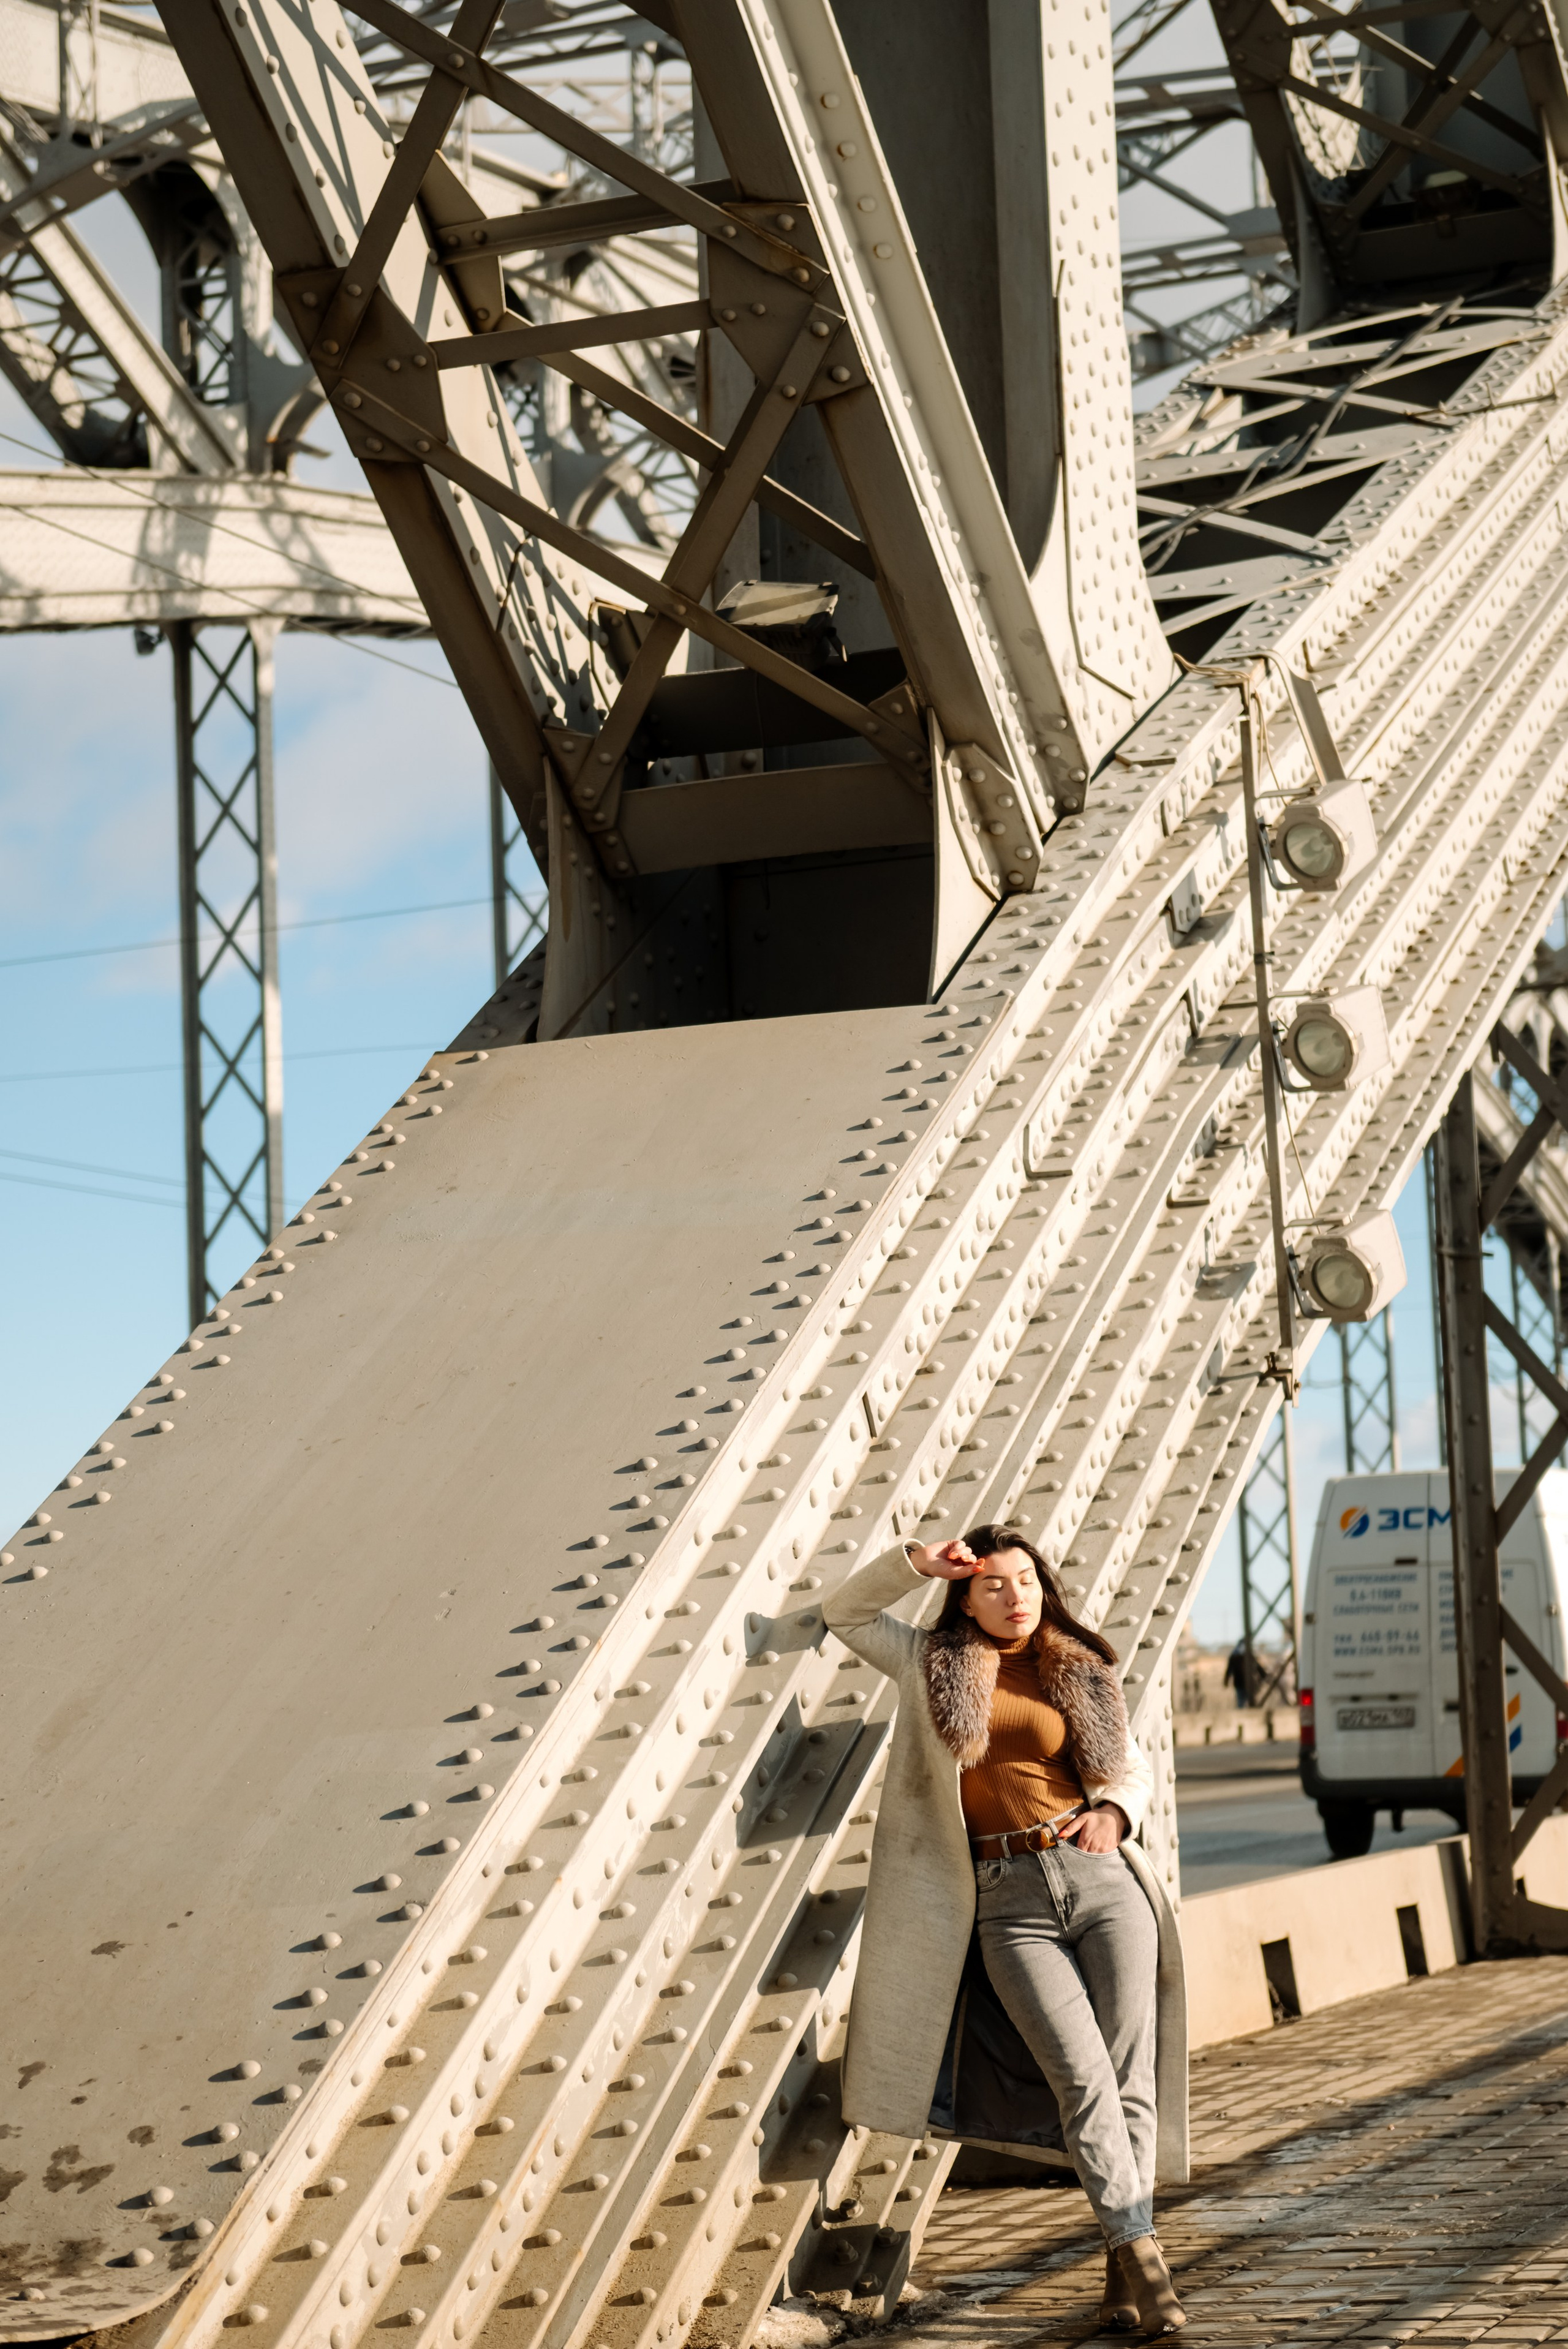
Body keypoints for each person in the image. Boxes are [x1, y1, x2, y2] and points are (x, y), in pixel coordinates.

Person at [823, 1525, 1188, 2335]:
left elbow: (1127, 1765)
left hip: (1102, 1882)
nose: (1014, 1595)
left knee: (1128, 2078)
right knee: (1081, 2079)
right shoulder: (929, 1664)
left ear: (1043, 1587)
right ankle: (1141, 2253)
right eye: (993, 1583)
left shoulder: (1078, 1666)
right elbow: (845, 1615)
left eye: (1025, 1579)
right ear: (965, 1599)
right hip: (1006, 1899)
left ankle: (1128, 2265)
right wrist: (917, 1563)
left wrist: (1115, 1812)